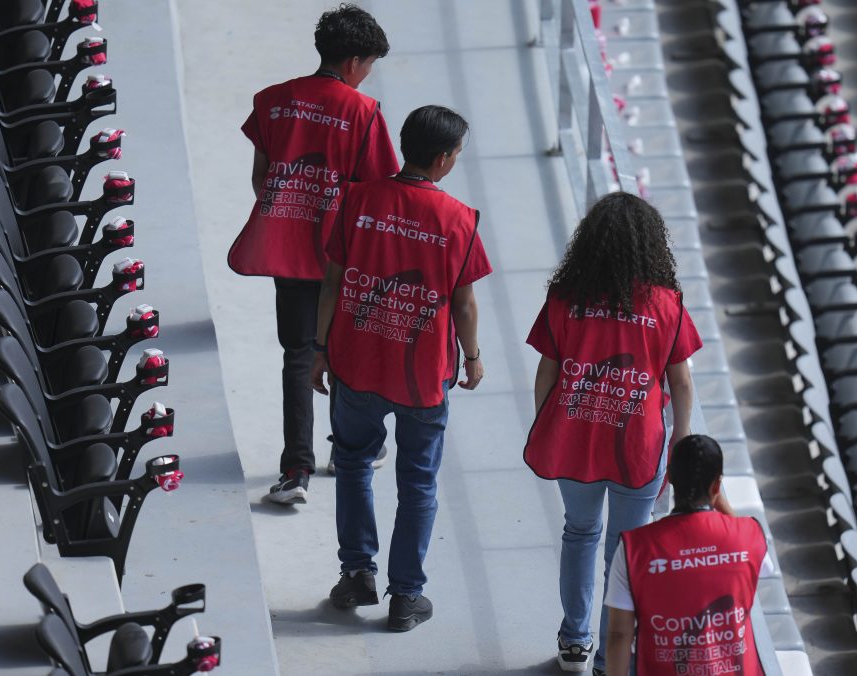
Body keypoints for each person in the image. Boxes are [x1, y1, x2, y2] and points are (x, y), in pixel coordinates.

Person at [310, 105, 491, 632]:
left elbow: (332, 282)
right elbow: (464, 305)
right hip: (422, 377)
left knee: (352, 464)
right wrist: (472, 356)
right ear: (443, 159)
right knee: (418, 484)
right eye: (457, 153)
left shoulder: (356, 199)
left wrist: (319, 349)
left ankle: (356, 575)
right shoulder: (459, 219)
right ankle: (406, 598)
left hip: (357, 363)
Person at [523, 193, 702, 673]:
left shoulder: (565, 298)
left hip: (574, 438)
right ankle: (610, 657)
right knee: (625, 554)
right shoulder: (666, 304)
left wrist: (546, 425)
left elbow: (547, 372)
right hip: (638, 448)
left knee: (579, 533)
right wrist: (679, 445)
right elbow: (682, 384)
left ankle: (573, 642)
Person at [231, 4, 399, 505]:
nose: (367, 76)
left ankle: (295, 471)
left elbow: (261, 177)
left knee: (297, 355)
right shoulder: (363, 113)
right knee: (344, 351)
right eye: (369, 65)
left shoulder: (273, 100)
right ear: (353, 62)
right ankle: (348, 449)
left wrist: (292, 213)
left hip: (285, 248)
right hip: (339, 255)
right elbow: (377, 192)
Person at [603, 435, 769, 676]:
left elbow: (619, 634)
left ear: (669, 477)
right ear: (717, 486)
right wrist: (719, 500)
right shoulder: (749, 535)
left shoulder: (634, 547)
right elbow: (765, 564)